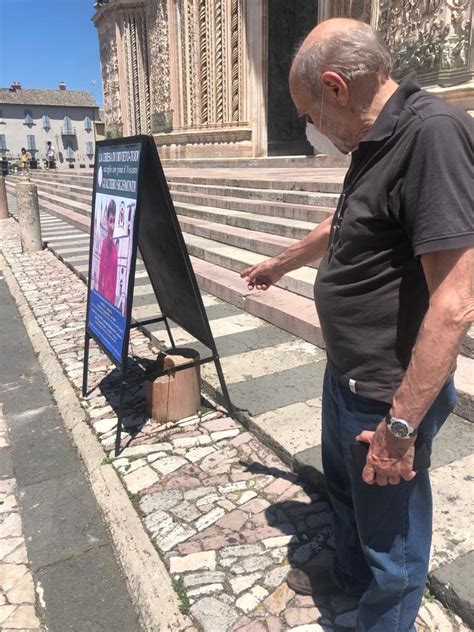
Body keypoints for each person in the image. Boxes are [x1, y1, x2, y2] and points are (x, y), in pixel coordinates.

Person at [240, 18, 473, 632]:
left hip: (386, 391)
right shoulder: (375, 139)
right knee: (345, 493)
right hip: (346, 373)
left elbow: (455, 301)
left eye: (309, 114)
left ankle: (381, 619)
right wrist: (278, 262)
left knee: (391, 542)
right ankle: (346, 575)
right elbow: (344, 224)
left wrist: (400, 426)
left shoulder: (433, 136)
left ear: (336, 87)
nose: (312, 131)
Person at [98, 199, 118, 305]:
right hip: (103, 293)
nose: (112, 226)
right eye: (111, 221)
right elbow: (101, 272)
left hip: (111, 296)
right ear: (107, 221)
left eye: (114, 221)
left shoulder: (115, 247)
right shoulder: (105, 244)